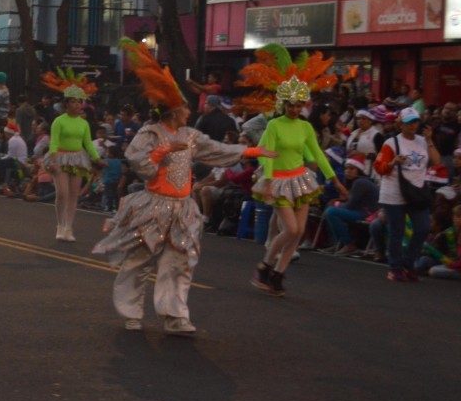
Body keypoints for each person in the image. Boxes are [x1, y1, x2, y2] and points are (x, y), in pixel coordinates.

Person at [93, 39, 274, 334]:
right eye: (184, 109)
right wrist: (164, 151)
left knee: (180, 262)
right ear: (172, 111)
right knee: (139, 259)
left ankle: (174, 315)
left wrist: (253, 152)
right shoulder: (150, 134)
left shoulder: (190, 135)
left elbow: (216, 150)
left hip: (183, 208)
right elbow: (138, 162)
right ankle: (131, 312)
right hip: (153, 206)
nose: (189, 112)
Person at [238, 44, 349, 297]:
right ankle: (264, 267)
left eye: (299, 105)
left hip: (300, 180)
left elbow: (317, 154)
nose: (295, 109)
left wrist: (336, 181)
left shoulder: (306, 127)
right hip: (277, 181)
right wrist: (266, 178)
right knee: (291, 229)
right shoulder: (275, 125)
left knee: (298, 232)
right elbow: (266, 154)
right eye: (291, 105)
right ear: (283, 104)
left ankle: (278, 274)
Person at [373, 106, 440, 281]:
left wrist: (430, 140)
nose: (413, 126)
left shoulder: (423, 141)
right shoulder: (391, 143)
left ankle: (409, 263)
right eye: (408, 122)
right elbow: (379, 167)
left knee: (423, 228)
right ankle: (395, 268)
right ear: (400, 124)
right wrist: (393, 163)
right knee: (398, 231)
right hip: (394, 193)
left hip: (416, 192)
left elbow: (437, 161)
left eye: (415, 122)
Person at [41, 67, 103, 242]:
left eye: (79, 102)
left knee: (74, 194)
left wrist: (97, 159)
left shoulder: (83, 123)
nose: (77, 105)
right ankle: (60, 225)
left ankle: (69, 227)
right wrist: (53, 160)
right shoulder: (59, 121)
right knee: (62, 193)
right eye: (74, 102)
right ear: (66, 104)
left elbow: (88, 143)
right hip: (60, 157)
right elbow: (53, 142)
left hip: (77, 158)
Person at [323, 153, 379, 256]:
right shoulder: (354, 182)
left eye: (352, 169)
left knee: (331, 211)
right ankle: (339, 243)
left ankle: (348, 244)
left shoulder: (361, 182)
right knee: (330, 209)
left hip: (367, 213)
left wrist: (337, 204)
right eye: (347, 168)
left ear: (359, 170)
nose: (348, 171)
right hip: (359, 210)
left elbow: (350, 205)